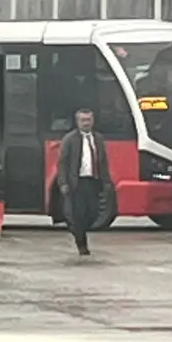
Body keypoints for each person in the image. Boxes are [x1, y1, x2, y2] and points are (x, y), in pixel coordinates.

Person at [57, 108, 113, 257]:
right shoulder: (70, 139)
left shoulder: (98, 139)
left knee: (93, 213)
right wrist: (63, 183)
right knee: (79, 215)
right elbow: (62, 162)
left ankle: (77, 228)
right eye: (83, 120)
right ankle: (82, 244)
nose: (86, 123)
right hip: (77, 183)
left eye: (88, 120)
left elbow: (103, 162)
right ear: (78, 122)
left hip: (93, 181)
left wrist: (106, 181)